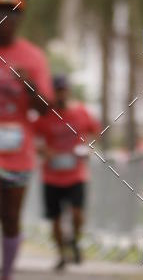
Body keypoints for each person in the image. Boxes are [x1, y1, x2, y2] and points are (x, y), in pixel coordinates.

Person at [0, 0, 52, 280]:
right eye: (1, 11)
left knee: (10, 216)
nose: (6, 18)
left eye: (13, 12)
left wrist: (30, 85)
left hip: (17, 152)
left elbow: (45, 109)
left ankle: (6, 273)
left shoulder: (33, 57)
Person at [34, 74, 101, 269]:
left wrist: (88, 148)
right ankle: (61, 253)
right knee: (55, 219)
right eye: (57, 91)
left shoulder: (81, 111)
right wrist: (44, 151)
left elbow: (95, 132)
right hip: (51, 176)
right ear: (52, 93)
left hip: (76, 174)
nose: (61, 94)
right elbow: (34, 139)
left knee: (77, 214)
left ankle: (74, 241)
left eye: (63, 90)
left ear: (69, 91)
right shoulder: (45, 115)